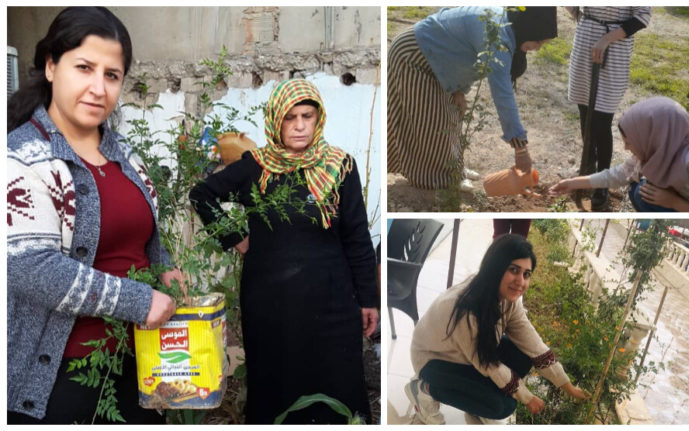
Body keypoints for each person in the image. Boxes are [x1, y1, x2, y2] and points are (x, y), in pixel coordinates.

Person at [7, 7, 182, 424]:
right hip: (61, 376)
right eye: (84, 68)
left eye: (112, 74)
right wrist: (141, 301)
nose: (98, 88)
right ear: (51, 67)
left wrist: (165, 267)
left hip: (140, 361)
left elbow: (141, 233)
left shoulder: (123, 152)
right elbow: (33, 268)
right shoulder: (21, 158)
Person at [189, 79, 379, 424]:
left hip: (332, 302)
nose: (300, 125)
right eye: (290, 117)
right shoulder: (255, 167)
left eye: (307, 115)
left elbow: (356, 237)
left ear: (318, 118)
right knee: (276, 384)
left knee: (336, 384)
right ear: (276, 120)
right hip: (271, 305)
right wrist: (235, 237)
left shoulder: (340, 167)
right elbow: (202, 194)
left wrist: (368, 298)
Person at [406, 234, 587, 425]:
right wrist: (527, 397)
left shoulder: (508, 298)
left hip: (465, 355)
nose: (521, 281)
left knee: (524, 357)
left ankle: (476, 404)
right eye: (513, 270)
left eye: (526, 274)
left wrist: (569, 387)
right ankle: (423, 389)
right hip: (434, 361)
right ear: (496, 268)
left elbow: (533, 344)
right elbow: (488, 364)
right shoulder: (466, 308)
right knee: (502, 406)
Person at [388, 6, 558, 191]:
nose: (538, 49)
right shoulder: (498, 39)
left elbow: (462, 53)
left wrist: (459, 90)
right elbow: (503, 95)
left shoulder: (509, 27)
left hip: (436, 59)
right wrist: (520, 148)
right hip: (413, 55)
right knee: (432, 122)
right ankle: (440, 181)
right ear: (531, 28)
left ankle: (453, 169)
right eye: (539, 42)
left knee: (452, 115)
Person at [549, 97, 689, 212]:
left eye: (629, 141)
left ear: (653, 135)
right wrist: (573, 183)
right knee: (639, 188)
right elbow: (618, 175)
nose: (627, 148)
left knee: (643, 192)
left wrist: (674, 203)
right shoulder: (663, 147)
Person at [566, 7, 651, 210]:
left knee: (601, 121)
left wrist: (606, 39)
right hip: (584, 43)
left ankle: (602, 184)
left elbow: (641, 18)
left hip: (614, 52)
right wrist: (577, 13)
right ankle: (589, 167)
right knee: (585, 114)